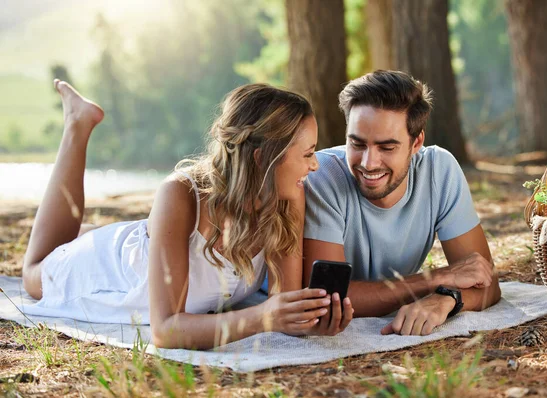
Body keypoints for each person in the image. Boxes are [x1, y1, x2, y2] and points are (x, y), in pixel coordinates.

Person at [21, 80, 353, 350]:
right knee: (34, 274)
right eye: (307, 153)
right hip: (112, 272)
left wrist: (311, 319)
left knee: (94, 239)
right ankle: (77, 123)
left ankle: (92, 233)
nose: (315, 164)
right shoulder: (181, 193)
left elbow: (281, 305)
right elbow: (165, 330)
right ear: (261, 159)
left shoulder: (289, 194)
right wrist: (261, 317)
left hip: (149, 243)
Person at [302, 70, 501, 336]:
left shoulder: (439, 170)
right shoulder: (323, 175)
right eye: (357, 144)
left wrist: (447, 298)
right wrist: (437, 278)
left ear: (416, 141)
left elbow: (486, 282)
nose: (368, 163)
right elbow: (328, 298)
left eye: (387, 147)